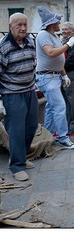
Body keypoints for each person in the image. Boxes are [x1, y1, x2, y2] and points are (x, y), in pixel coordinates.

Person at [0, 13, 39, 181]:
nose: (23, 28)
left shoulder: (30, 41)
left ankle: (21, 157)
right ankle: (16, 166)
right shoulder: (4, 46)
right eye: (18, 25)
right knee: (16, 130)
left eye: (25, 24)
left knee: (31, 127)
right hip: (12, 93)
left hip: (30, 90)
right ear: (10, 26)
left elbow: (33, 63)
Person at [35, 6, 74, 149]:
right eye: (57, 22)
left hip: (54, 76)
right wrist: (68, 44)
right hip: (47, 77)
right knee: (60, 107)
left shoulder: (54, 36)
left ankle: (48, 136)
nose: (59, 24)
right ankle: (62, 137)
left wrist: (64, 75)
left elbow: (58, 59)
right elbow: (51, 53)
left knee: (51, 108)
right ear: (51, 23)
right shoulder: (43, 35)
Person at [61, 22, 74, 135]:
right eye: (63, 29)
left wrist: (59, 66)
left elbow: (72, 60)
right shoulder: (64, 42)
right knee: (67, 101)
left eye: (66, 29)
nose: (63, 31)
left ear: (72, 31)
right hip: (65, 73)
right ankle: (69, 124)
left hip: (72, 74)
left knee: (73, 101)